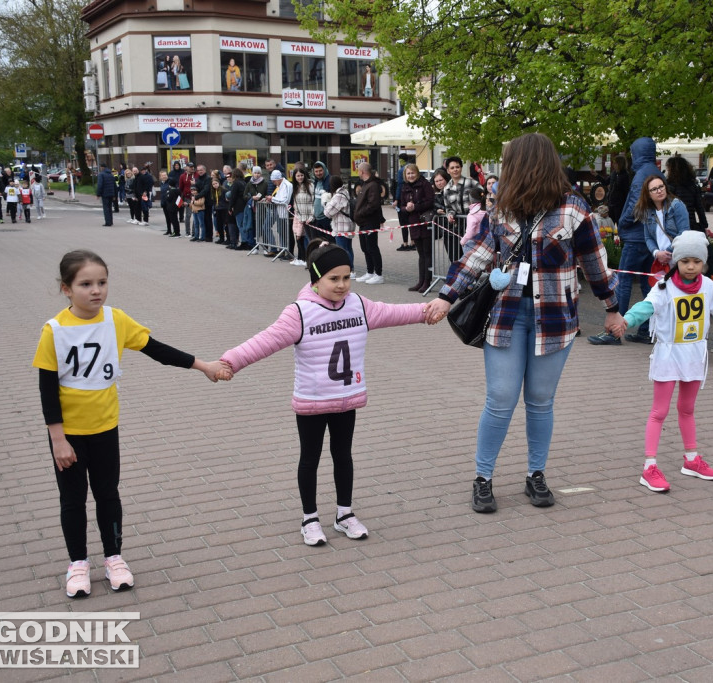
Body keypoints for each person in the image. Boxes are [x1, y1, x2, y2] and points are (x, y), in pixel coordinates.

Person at [423, 133, 623, 514]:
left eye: (508, 161)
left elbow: (596, 263)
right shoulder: (502, 209)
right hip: (507, 316)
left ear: (525, 164)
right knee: (500, 399)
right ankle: (483, 478)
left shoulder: (573, 209)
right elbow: (478, 256)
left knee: (540, 402)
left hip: (555, 320)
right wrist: (446, 296)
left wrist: (611, 307)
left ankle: (536, 474)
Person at [33, 250, 227, 598]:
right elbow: (47, 391)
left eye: (102, 283)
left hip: (106, 428)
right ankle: (78, 563)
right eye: (86, 284)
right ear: (66, 289)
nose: (96, 291)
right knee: (73, 500)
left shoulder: (115, 320)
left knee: (108, 494)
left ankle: (113, 558)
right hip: (69, 436)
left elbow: (157, 349)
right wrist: (58, 440)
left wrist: (204, 365)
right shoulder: (55, 330)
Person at [218, 240, 429, 545]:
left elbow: (395, 311)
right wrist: (231, 361)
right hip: (312, 402)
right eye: (333, 279)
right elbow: (265, 340)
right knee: (311, 458)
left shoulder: (359, 305)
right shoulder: (299, 313)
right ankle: (310, 518)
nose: (342, 285)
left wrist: (427, 310)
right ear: (315, 279)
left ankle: (344, 514)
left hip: (347, 398)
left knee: (343, 456)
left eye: (346, 277)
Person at [611, 231, 713, 491]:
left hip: (694, 355)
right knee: (660, 411)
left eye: (697, 261)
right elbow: (645, 308)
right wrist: (626, 321)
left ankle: (691, 460)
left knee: (687, 409)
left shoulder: (709, 287)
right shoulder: (663, 287)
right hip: (669, 354)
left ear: (704, 263)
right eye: (685, 261)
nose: (691, 266)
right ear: (676, 261)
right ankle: (649, 467)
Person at [615, 138, 664, 344]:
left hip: (635, 237)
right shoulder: (657, 173)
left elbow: (635, 207)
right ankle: (646, 329)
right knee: (648, 284)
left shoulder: (640, 176)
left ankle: (614, 330)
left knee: (623, 280)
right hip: (650, 237)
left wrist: (622, 223)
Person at [639, 175, 690, 285]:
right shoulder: (648, 212)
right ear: (648, 194)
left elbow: (684, 233)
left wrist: (667, 253)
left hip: (679, 260)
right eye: (654, 189)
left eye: (661, 186)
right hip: (662, 263)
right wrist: (657, 253)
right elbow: (647, 237)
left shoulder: (676, 205)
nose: (659, 191)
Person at [396, 163, 437, 291]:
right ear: (405, 175)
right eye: (408, 173)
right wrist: (406, 208)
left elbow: (430, 201)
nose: (411, 175)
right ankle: (421, 281)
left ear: (417, 173)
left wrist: (415, 206)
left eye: (413, 173)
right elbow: (401, 206)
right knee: (420, 254)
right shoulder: (404, 187)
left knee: (427, 253)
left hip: (425, 222)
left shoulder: (425, 184)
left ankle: (427, 281)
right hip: (413, 222)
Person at [441, 156, 483, 263]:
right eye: (452, 168)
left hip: (473, 227)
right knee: (457, 257)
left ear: (461, 168)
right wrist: (450, 215)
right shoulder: (446, 188)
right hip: (458, 227)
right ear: (448, 170)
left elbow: (484, 196)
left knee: (472, 258)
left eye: (457, 167)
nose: (455, 170)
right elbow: (448, 207)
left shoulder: (471, 183)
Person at [352, 163, 386, 284]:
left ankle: (379, 274)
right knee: (365, 248)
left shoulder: (373, 185)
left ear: (362, 171)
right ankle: (370, 271)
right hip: (363, 222)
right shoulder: (366, 184)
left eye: (358, 171)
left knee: (372, 247)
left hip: (370, 222)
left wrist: (360, 213)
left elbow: (373, 204)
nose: (357, 173)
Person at [323, 175, 356, 271]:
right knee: (348, 248)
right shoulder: (345, 192)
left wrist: (326, 203)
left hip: (342, 226)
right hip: (347, 225)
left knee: (342, 250)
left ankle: (348, 270)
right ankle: (351, 269)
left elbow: (328, 213)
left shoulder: (338, 196)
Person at [290, 166, 315, 265]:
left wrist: (311, 216)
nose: (300, 177)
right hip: (302, 218)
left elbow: (314, 202)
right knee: (304, 239)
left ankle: (311, 260)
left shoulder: (310, 185)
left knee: (310, 240)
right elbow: (296, 203)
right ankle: (306, 259)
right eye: (297, 176)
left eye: (301, 175)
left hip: (310, 218)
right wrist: (299, 217)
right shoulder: (296, 187)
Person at [225, 168, 247, 249]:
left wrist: (230, 208)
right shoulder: (243, 182)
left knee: (240, 225)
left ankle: (244, 242)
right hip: (244, 206)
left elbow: (233, 197)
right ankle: (245, 241)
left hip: (238, 206)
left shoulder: (236, 183)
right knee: (243, 225)